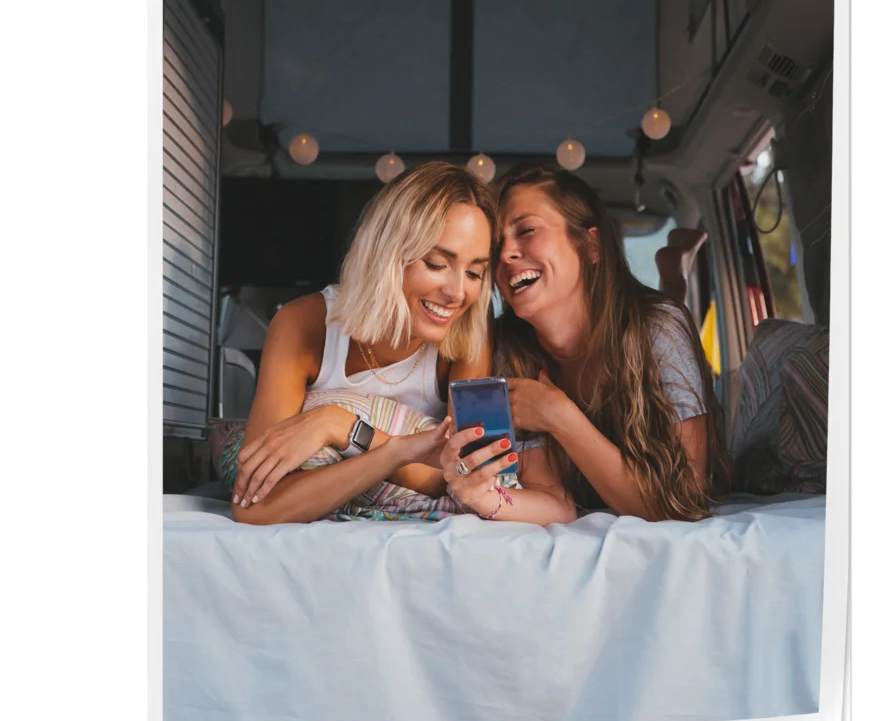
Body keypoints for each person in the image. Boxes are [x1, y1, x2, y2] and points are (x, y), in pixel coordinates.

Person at [231, 161, 575, 527]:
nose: (457, 293)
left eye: (475, 272)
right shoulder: (305, 325)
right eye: (437, 264)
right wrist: (398, 453)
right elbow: (255, 505)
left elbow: (458, 475)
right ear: (387, 254)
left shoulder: (466, 337)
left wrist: (339, 427)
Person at [490, 165, 729, 522]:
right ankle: (673, 275)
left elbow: (684, 501)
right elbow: (545, 497)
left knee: (663, 316)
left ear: (591, 245)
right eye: (496, 245)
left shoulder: (659, 327)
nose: (505, 253)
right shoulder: (505, 348)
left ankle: (674, 276)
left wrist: (560, 416)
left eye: (526, 230)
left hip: (643, 321)